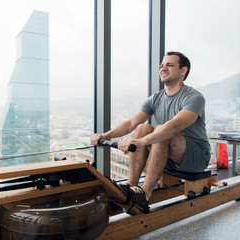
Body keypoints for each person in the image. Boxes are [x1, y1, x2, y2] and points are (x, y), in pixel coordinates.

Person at [90, 51, 210, 213]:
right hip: (167, 156)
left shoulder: (194, 97)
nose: (163, 68)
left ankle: (144, 196)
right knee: (142, 128)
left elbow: (175, 126)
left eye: (169, 65)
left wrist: (140, 142)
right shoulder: (156, 98)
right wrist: (105, 136)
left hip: (195, 157)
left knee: (162, 130)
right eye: (161, 66)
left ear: (183, 71)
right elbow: (131, 123)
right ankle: (131, 189)